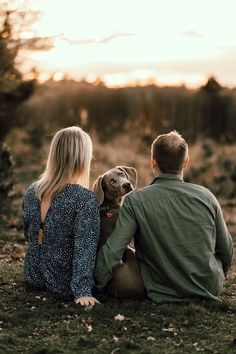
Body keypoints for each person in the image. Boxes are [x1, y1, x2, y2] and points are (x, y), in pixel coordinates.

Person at [95, 131, 234, 303]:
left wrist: (96, 284)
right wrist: (219, 275)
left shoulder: (134, 202)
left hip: (161, 289)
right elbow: (227, 249)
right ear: (186, 162)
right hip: (209, 286)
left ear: (153, 162)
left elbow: (113, 250)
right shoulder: (207, 196)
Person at [23, 126, 100, 306]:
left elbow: (28, 234)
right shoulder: (85, 198)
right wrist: (82, 291)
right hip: (63, 281)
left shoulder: (31, 190)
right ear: (82, 158)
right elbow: (85, 249)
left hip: (32, 274)